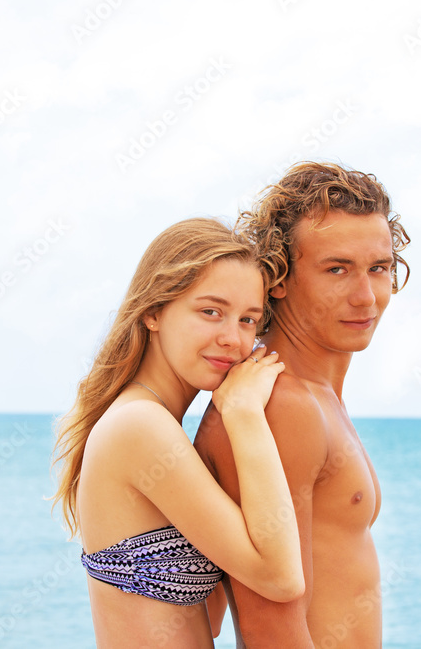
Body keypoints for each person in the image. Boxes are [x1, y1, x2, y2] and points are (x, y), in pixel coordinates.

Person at [51, 217, 305, 647]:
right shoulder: (139, 426)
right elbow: (281, 578)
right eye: (211, 312)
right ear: (153, 311)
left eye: (248, 320)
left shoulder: (154, 424)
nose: (233, 339)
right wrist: (244, 414)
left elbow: (209, 619)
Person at [194, 162, 411, 648]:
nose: (365, 297)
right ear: (279, 278)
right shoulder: (282, 406)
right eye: (337, 269)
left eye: (378, 269)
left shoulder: (312, 396)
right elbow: (271, 626)